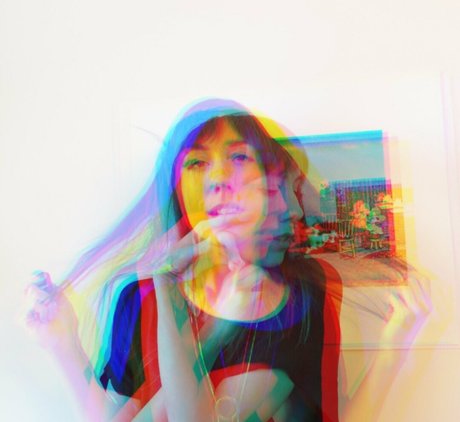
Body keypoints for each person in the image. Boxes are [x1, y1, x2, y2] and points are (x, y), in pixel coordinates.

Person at [26, 99, 431, 421]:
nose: (219, 178)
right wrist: (63, 345)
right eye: (197, 162)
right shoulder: (139, 297)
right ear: (178, 187)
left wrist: (395, 347)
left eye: (238, 157)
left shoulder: (298, 296)